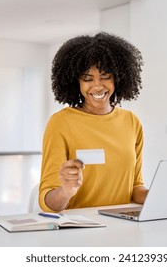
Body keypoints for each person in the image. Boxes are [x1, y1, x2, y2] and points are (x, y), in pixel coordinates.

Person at [39, 32, 148, 212]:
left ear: (118, 78)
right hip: (79, 228)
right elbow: (48, 202)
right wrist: (65, 191)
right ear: (76, 83)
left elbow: (135, 188)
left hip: (122, 225)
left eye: (105, 76)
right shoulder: (61, 123)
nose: (97, 86)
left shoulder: (131, 121)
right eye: (87, 79)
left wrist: (165, 195)